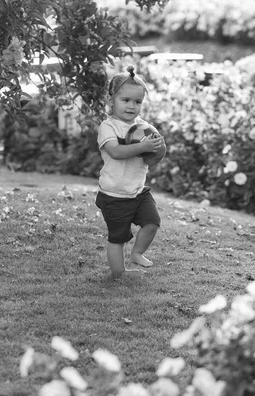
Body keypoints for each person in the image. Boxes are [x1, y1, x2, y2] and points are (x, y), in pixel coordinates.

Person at [95, 66, 166, 279]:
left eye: (137, 102)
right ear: (112, 101)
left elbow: (152, 158)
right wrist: (142, 148)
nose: (131, 106)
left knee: (152, 222)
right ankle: (119, 274)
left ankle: (137, 253)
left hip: (137, 191)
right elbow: (116, 152)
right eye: (125, 100)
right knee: (118, 237)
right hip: (114, 194)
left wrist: (159, 150)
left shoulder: (145, 128)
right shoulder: (108, 127)